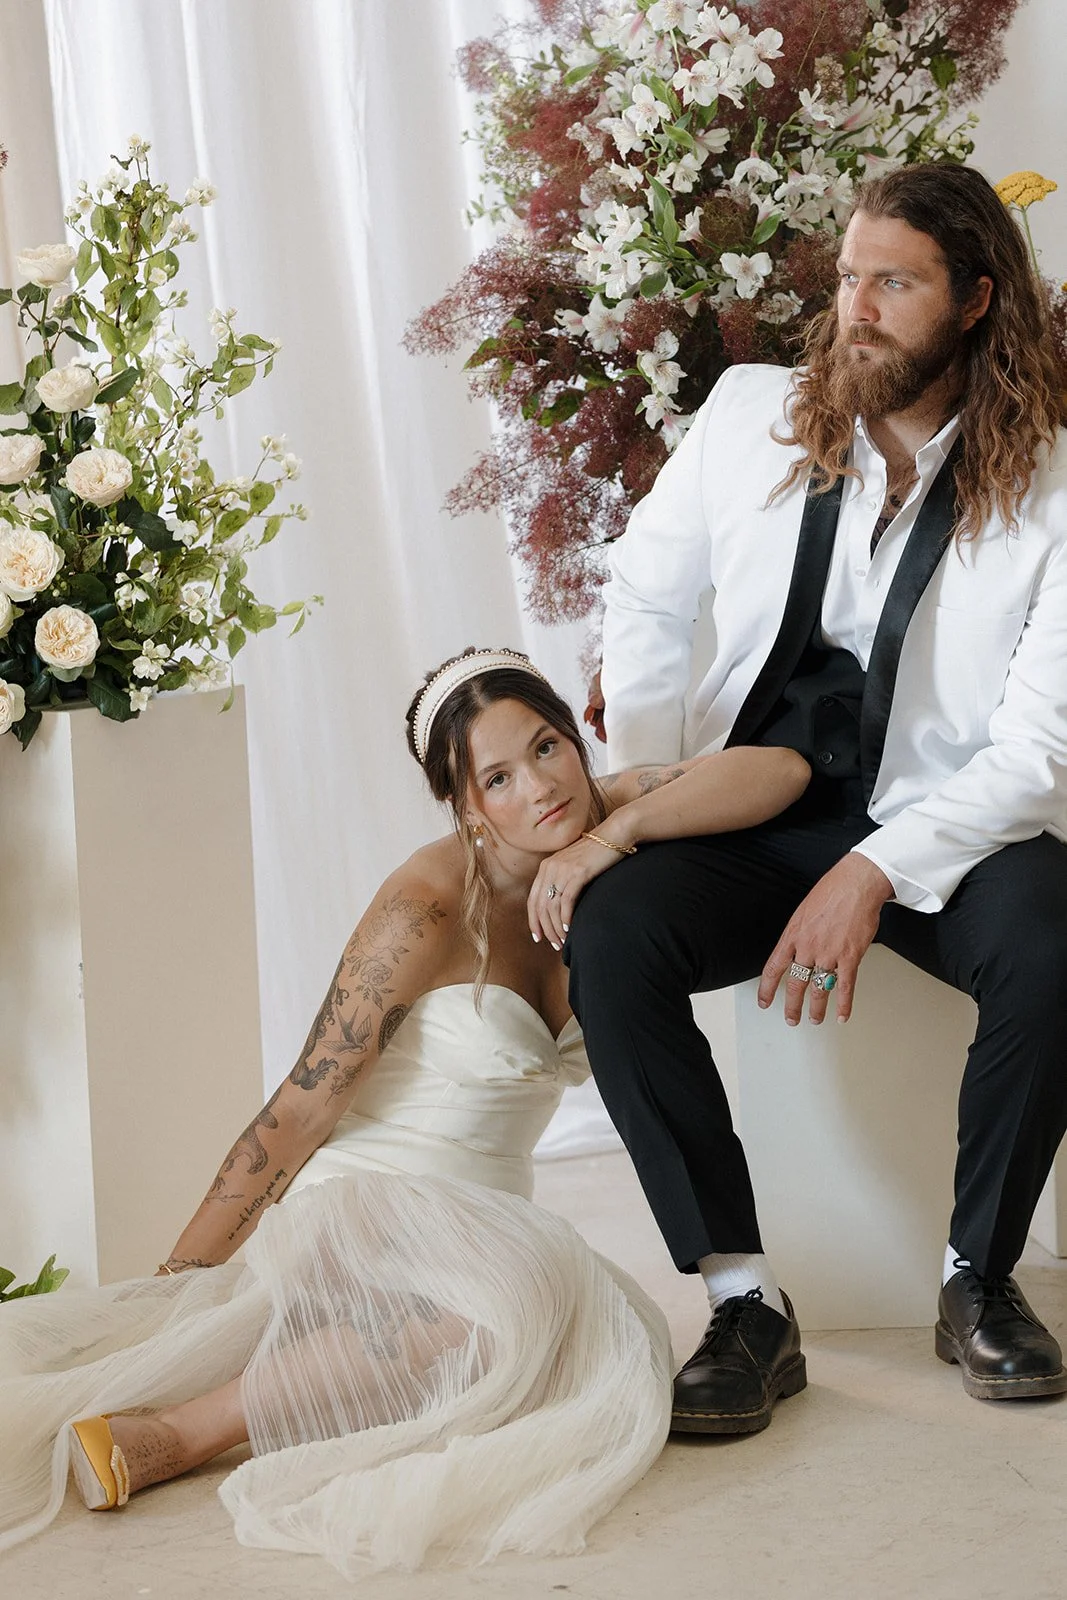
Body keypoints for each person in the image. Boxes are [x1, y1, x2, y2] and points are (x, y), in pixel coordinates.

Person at [0, 647, 809, 1573]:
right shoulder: (425, 907)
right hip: (374, 1199)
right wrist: (178, 1286)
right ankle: (176, 1435)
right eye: (498, 778)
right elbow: (298, 1112)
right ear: (466, 807)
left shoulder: (600, 815)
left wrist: (607, 837)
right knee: (485, 1325)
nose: (541, 788)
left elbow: (779, 772)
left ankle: (286, 1377)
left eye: (548, 748)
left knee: (586, 1341)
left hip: (491, 1223)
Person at [566, 161, 1067, 1435]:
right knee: (614, 931)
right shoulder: (748, 414)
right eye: (847, 278)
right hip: (757, 794)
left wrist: (874, 869)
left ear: (971, 300)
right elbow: (647, 594)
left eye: (891, 283)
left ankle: (975, 1278)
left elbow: (1037, 750)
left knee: (1053, 936)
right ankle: (742, 1300)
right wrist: (658, 781)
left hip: (933, 814)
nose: (854, 307)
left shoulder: (1055, 479)